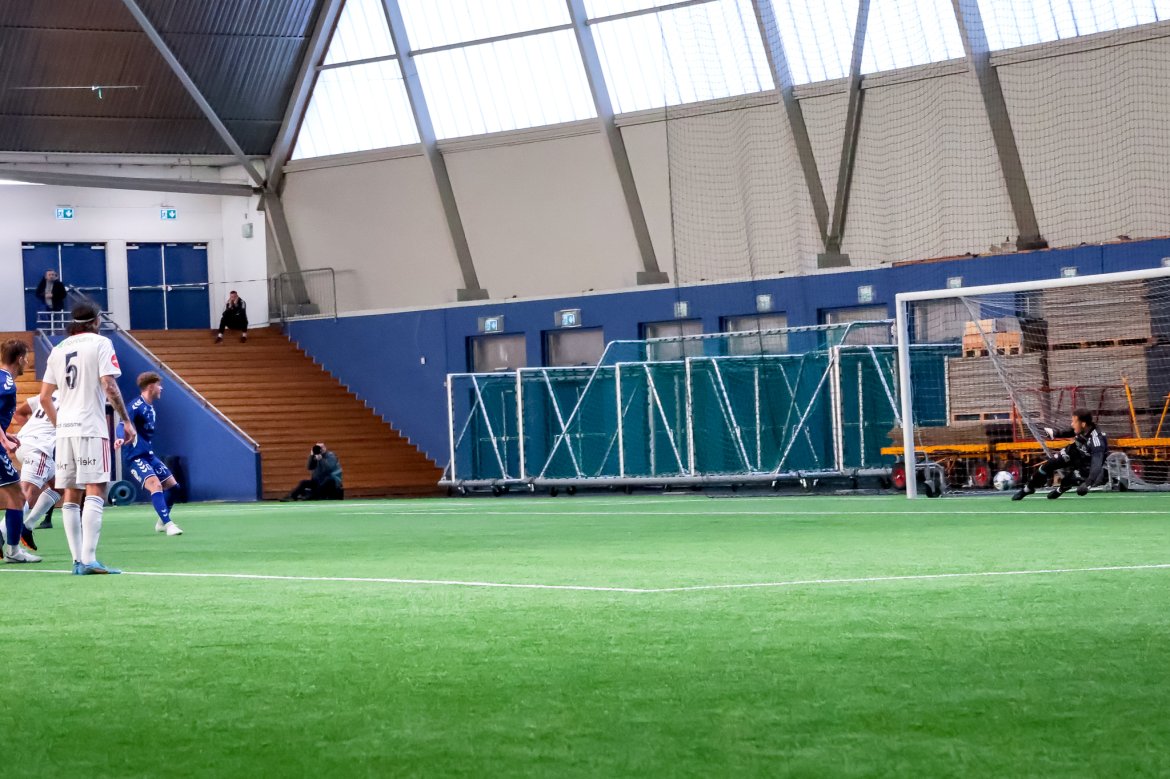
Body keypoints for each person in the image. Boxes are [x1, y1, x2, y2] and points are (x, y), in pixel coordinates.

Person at [39, 302, 136, 575]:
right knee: (96, 487)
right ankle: (90, 559)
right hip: (90, 425)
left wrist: (60, 425)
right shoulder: (101, 343)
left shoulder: (58, 349)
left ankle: (77, 561)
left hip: (65, 429)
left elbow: (45, 397)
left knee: (71, 493)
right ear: (95, 321)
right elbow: (109, 385)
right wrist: (126, 421)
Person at [117, 372, 183, 536]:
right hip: (135, 456)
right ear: (151, 386)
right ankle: (169, 524)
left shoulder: (150, 407)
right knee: (155, 485)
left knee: (173, 486)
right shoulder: (136, 405)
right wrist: (119, 438)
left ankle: (161, 522)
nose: (161, 388)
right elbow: (122, 423)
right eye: (159, 385)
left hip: (148, 455)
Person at [0, 340, 42, 563]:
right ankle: (13, 551)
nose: (27, 361)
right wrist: (3, 441)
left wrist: (5, 434)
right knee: (17, 496)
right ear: (19, 358)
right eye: (26, 357)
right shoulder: (6, 383)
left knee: (14, 495)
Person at [1012, 409, 1108, 501]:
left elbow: (1097, 463)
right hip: (1074, 452)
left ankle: (1061, 489)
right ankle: (1028, 488)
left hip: (1087, 464)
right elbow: (1071, 431)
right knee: (1048, 465)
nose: (1072, 424)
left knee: (1070, 479)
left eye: (1074, 422)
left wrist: (1088, 483)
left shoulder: (1097, 441)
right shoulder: (1083, 428)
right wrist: (1055, 433)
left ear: (1083, 424)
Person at [9, 390, 62, 552]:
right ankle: (4, 535)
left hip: (23, 443)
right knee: (25, 495)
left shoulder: (49, 394)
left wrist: (30, 433)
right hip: (38, 448)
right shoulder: (76, 399)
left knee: (60, 485)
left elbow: (19, 412)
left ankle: (27, 527)